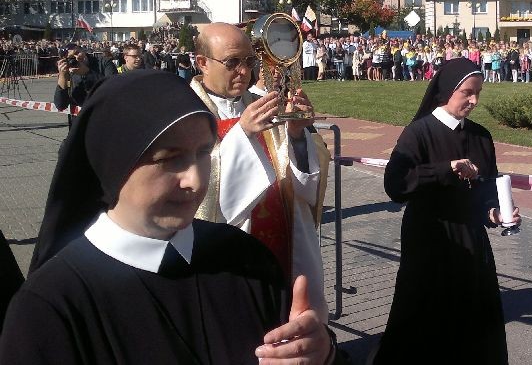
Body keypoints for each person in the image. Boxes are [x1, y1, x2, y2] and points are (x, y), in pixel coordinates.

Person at [14, 70, 334, 364]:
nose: (195, 180)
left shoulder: (247, 259)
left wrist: (321, 353)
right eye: (170, 159)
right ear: (112, 164)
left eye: (203, 153)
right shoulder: (49, 307)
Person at [374, 59, 521, 365]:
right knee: (425, 319)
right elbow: (396, 184)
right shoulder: (419, 132)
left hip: (471, 239)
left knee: (475, 320)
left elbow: (485, 192)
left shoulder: (481, 136)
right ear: (447, 91)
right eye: (468, 93)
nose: (474, 101)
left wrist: (494, 214)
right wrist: (446, 169)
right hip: (430, 237)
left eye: (478, 93)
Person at [189, 22, 331, 321]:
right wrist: (242, 134)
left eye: (249, 61)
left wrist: (296, 133)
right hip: (227, 249)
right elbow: (194, 187)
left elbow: (305, 183)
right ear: (202, 62)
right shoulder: (184, 113)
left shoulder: (266, 105)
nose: (243, 71)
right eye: (232, 62)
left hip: (285, 240)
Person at [53, 45, 103, 112]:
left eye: (77, 53)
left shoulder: (102, 63)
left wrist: (88, 73)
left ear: (83, 50)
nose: (77, 58)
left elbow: (114, 87)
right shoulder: (68, 73)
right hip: (80, 120)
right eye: (71, 58)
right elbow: (60, 105)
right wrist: (62, 76)